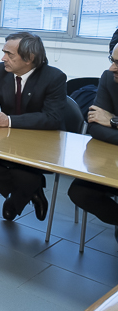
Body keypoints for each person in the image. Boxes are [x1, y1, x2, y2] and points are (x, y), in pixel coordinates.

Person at [0, 32, 66, 222]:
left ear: (30, 58)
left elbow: (52, 118)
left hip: (39, 142)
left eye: (10, 54)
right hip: (6, 138)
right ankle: (32, 192)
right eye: (4, 52)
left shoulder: (54, 77)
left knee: (23, 172)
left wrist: (8, 121)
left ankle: (17, 199)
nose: (3, 58)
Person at [68, 44, 118, 244]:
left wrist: (114, 121)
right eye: (112, 60)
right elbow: (95, 127)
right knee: (80, 192)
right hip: (110, 159)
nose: (112, 68)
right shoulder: (109, 78)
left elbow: (106, 123)